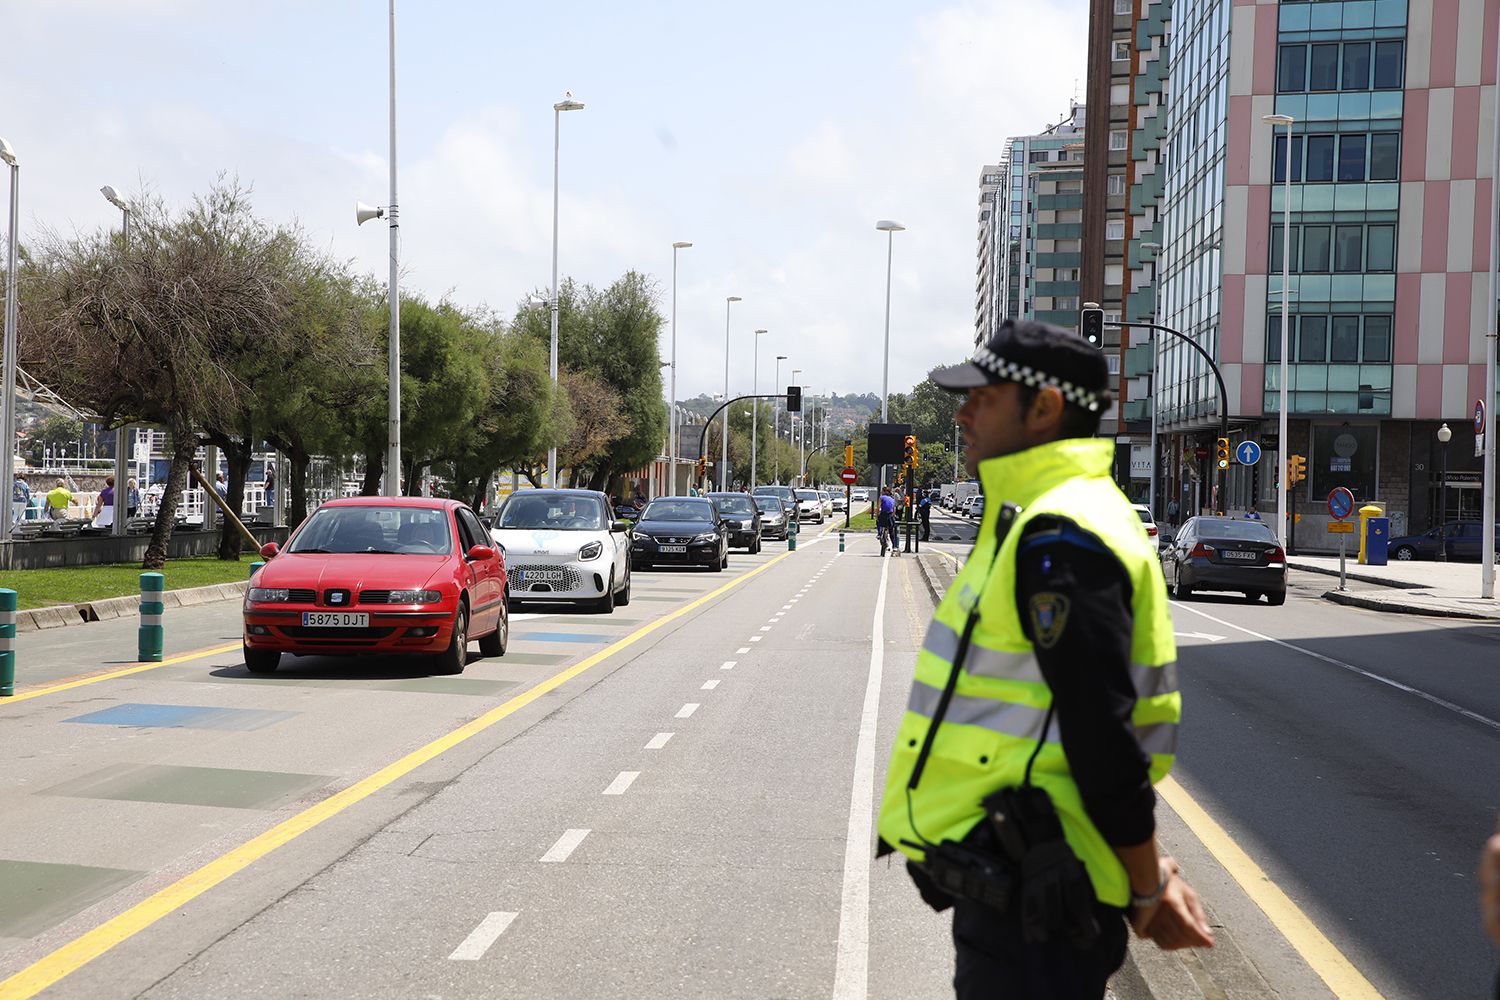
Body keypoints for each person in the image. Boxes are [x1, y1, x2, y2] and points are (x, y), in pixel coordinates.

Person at [877, 319, 1213, 1000]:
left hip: (1042, 904)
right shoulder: (1049, 517)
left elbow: (1102, 733)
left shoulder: (1063, 534)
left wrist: (1146, 883)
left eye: (983, 397)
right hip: (1028, 881)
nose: (962, 412)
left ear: (1045, 408)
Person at [877, 486, 899, 555]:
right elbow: (894, 509)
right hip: (890, 516)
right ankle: (894, 546)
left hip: (883, 515)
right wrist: (893, 515)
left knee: (878, 522)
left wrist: (877, 514)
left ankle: (879, 533)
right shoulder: (892, 499)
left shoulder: (881, 497)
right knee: (891, 531)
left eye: (882, 491)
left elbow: (878, 507)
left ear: (884, 492)